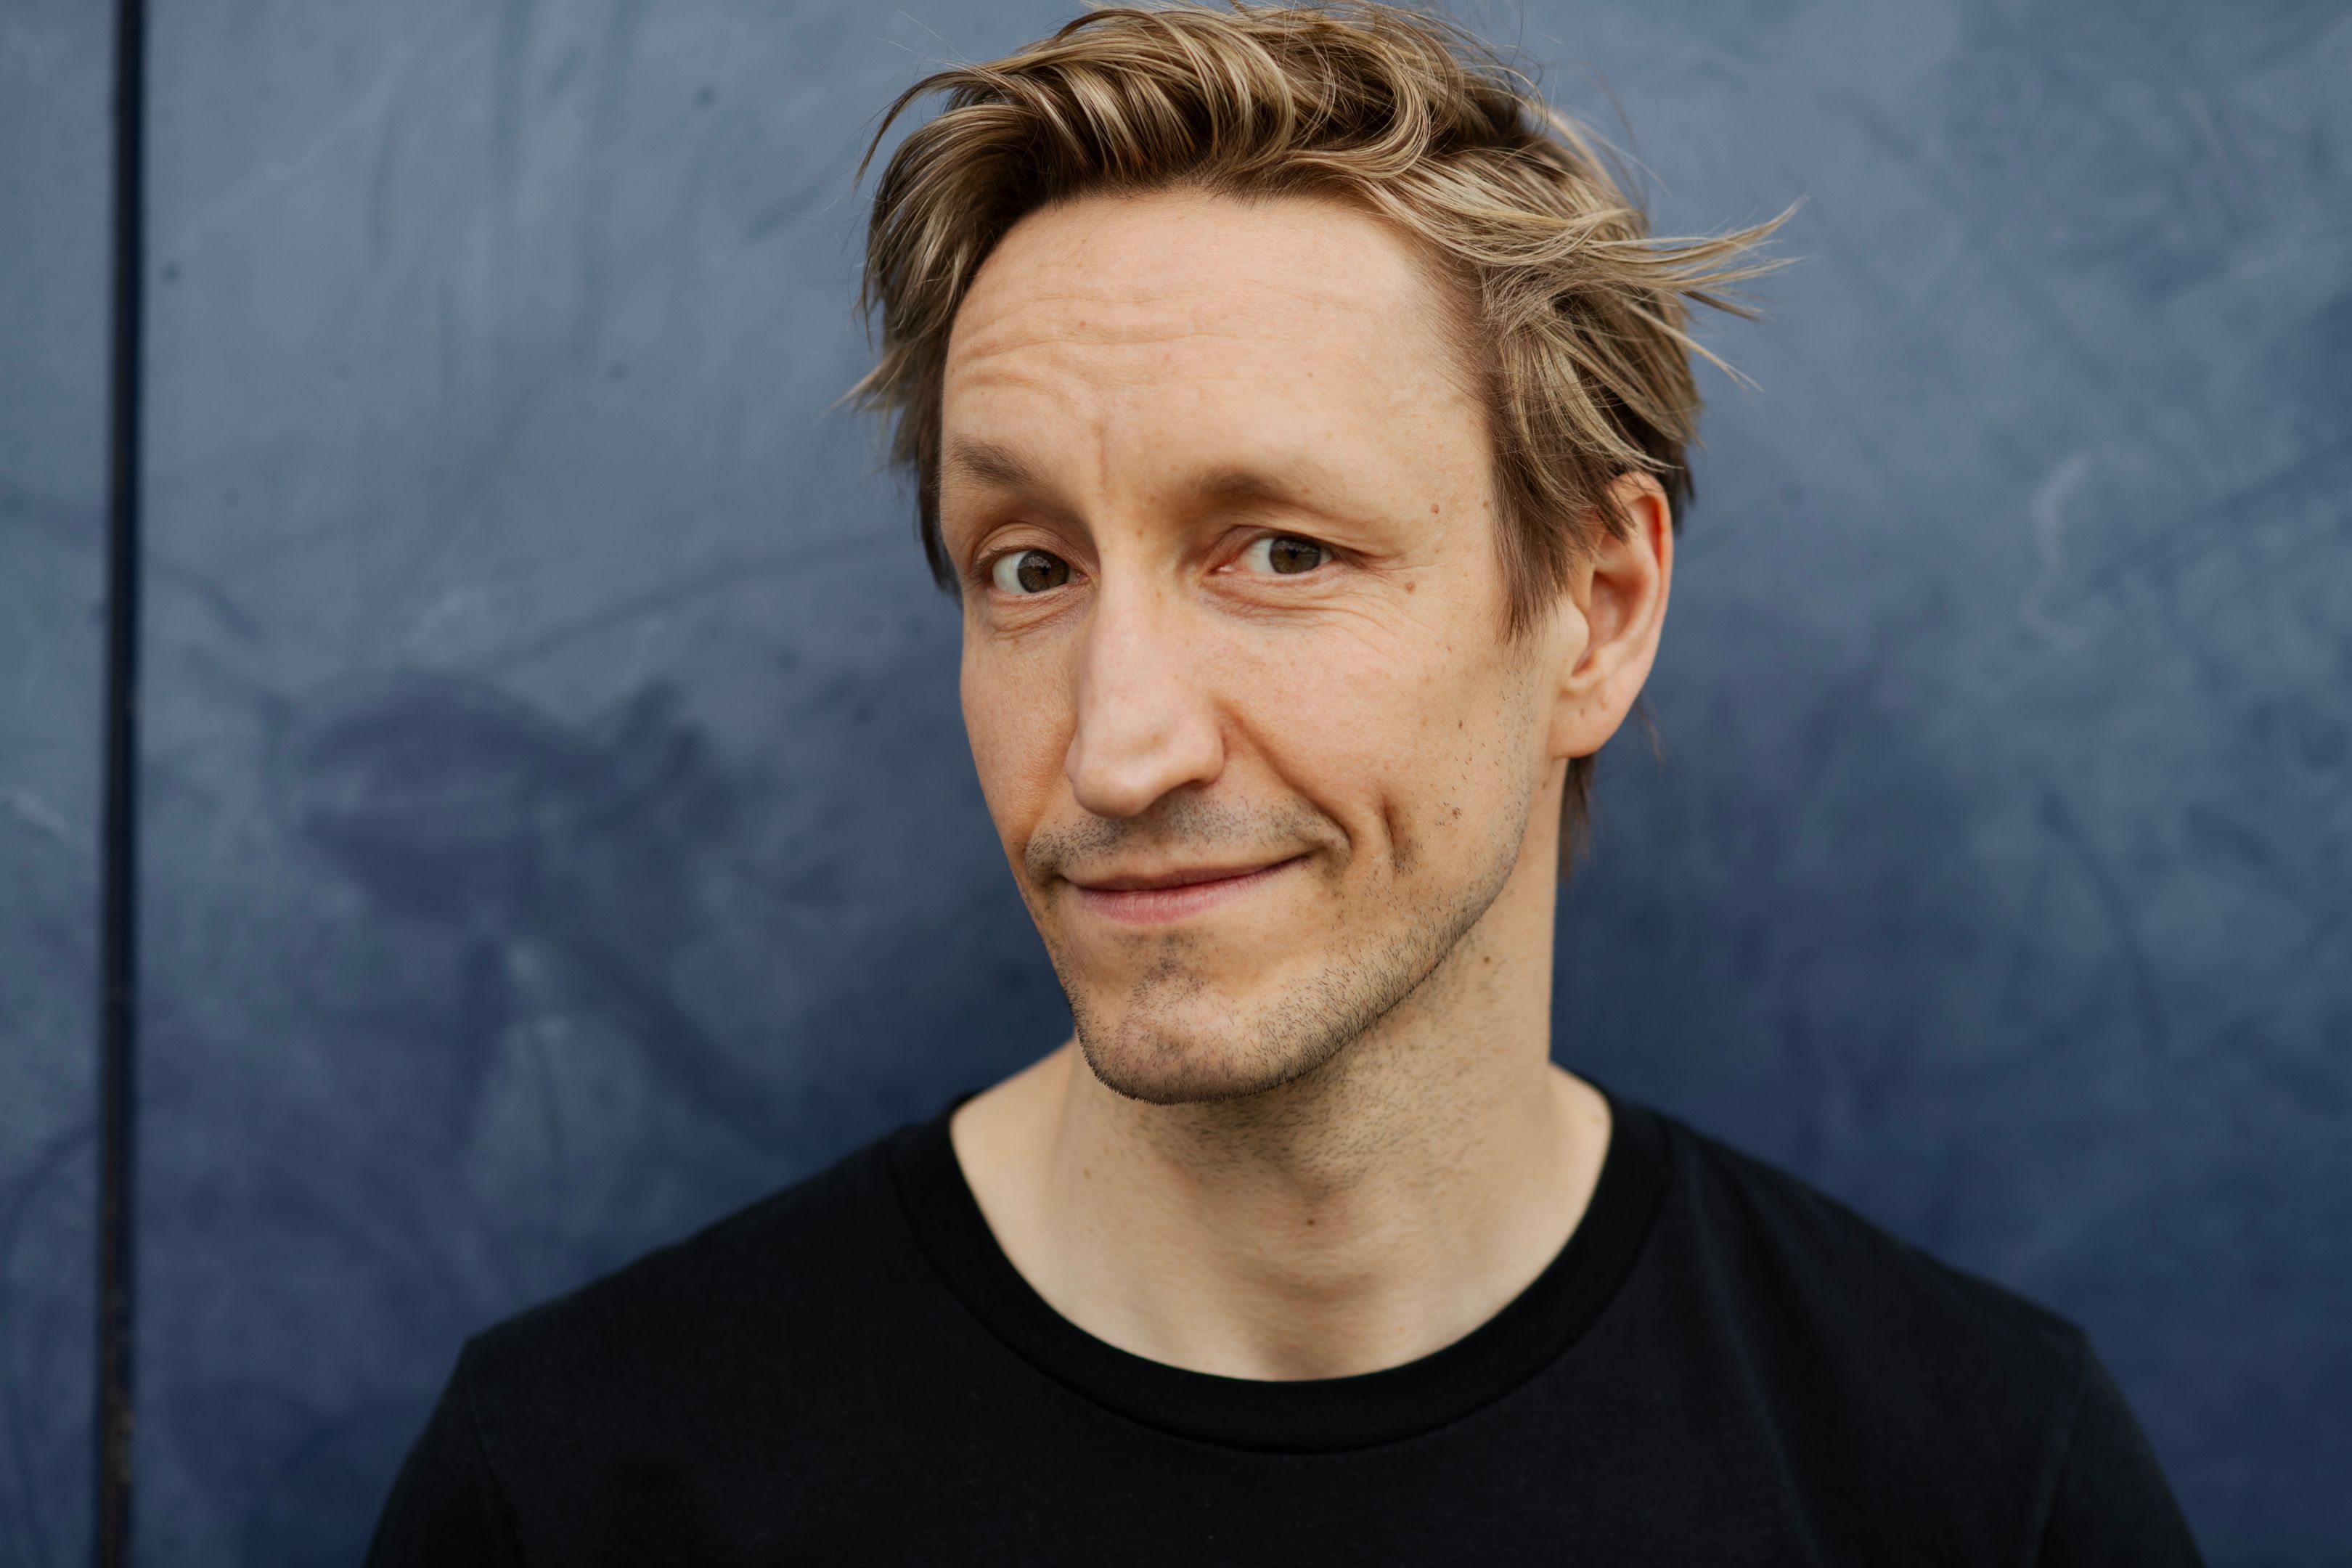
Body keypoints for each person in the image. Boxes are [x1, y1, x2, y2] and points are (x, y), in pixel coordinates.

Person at [368, 5, 2202, 1561]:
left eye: (1283, 553)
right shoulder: (587, 1492)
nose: (1117, 746)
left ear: (1596, 610)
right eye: (1030, 567)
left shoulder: (1971, 1482)